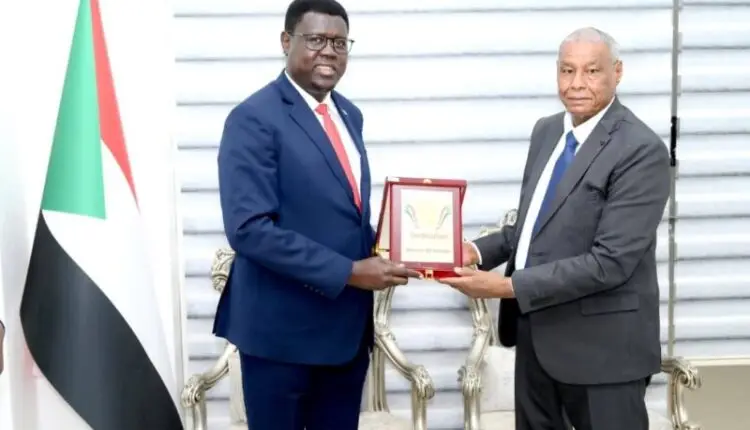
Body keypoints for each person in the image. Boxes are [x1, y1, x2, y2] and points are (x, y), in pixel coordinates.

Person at [439, 27, 670, 430]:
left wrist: (507, 287)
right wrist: (475, 251)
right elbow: (534, 223)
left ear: (617, 72)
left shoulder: (640, 150)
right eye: (567, 70)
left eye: (591, 71)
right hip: (535, 341)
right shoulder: (547, 131)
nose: (576, 83)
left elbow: (609, 263)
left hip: (604, 354)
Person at [213, 1, 420, 429]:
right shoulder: (253, 118)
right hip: (280, 338)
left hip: (345, 335)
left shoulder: (349, 114)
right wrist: (350, 271)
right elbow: (249, 230)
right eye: (316, 40)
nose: (329, 51)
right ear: (286, 42)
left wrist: (403, 243)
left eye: (339, 43)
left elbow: (343, 213)